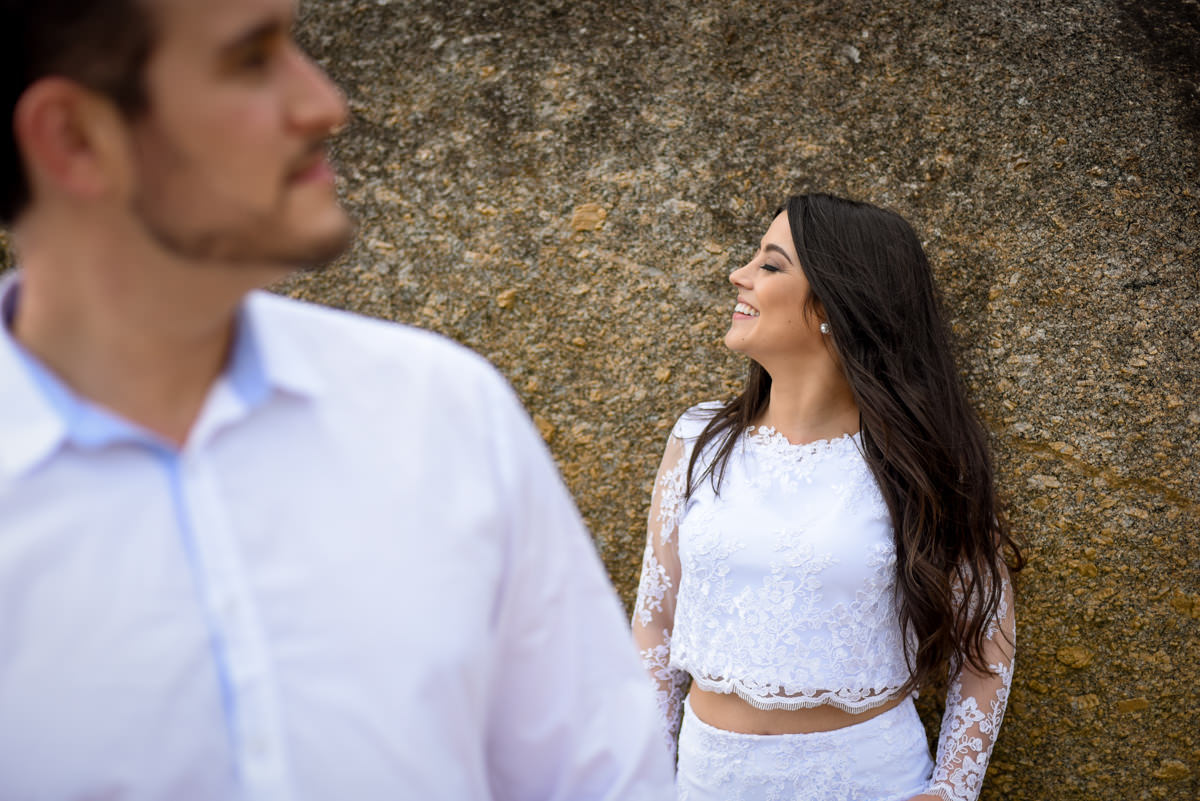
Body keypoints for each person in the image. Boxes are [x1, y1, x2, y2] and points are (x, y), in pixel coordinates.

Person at [0, 1, 675, 799]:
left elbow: (603, 780)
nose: (325, 103)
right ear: (75, 138)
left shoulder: (444, 411)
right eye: (251, 59)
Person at [632, 193, 1023, 801]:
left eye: (770, 264)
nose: (739, 275)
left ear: (835, 304)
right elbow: (655, 629)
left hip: (866, 780)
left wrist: (951, 789)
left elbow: (985, 646)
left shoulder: (922, 461)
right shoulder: (699, 439)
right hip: (704, 781)